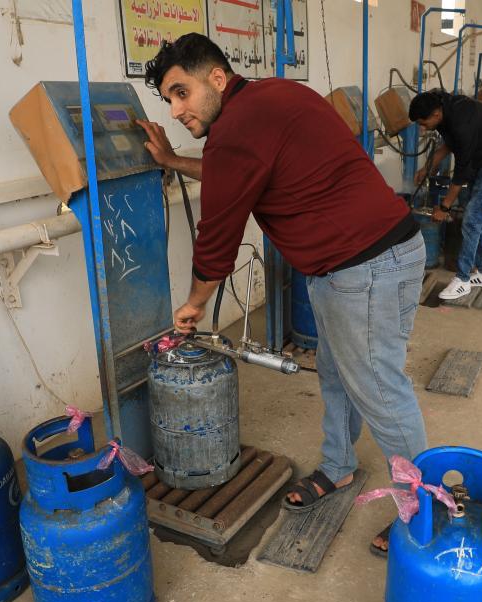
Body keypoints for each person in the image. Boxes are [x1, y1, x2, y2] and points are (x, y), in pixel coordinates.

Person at [137, 33, 428, 554]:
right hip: (373, 257)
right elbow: (234, 174)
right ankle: (338, 466)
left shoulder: (238, 127)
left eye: (182, 93)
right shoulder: (273, 96)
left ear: (217, 78)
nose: (176, 110)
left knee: (381, 390)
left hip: (365, 266)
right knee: (339, 374)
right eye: (169, 99)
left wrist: (194, 304)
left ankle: (424, 511)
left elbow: (217, 240)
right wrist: (173, 161)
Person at [410, 90, 482, 302]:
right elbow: (448, 145)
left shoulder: (461, 122)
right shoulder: (444, 111)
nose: (422, 128)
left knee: (471, 219)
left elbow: (460, 174)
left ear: (436, 114)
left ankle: (463, 279)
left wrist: (445, 207)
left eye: (423, 123)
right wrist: (427, 167)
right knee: (474, 218)